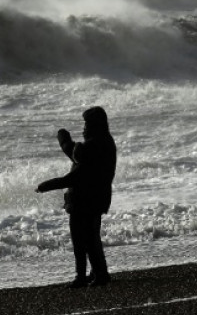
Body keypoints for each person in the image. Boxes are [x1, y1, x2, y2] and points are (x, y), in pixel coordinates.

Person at [37, 106, 118, 288]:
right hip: (96, 199)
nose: (84, 129)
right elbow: (73, 152)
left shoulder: (94, 146)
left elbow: (72, 176)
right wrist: (64, 140)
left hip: (86, 200)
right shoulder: (105, 142)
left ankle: (91, 275)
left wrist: (45, 186)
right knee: (90, 239)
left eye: (87, 124)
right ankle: (95, 273)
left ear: (95, 125)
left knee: (83, 241)